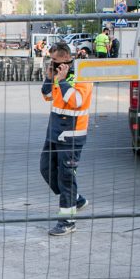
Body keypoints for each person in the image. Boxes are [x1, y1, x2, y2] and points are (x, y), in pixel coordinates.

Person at [41, 42, 93, 236]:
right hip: (54, 131)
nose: (52, 62)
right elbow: (47, 96)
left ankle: (67, 221)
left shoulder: (82, 74)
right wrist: (49, 78)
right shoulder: (57, 73)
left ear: (65, 58)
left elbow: (77, 102)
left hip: (72, 134)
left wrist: (62, 81)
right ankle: (76, 199)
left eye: (54, 59)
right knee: (45, 169)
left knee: (66, 177)